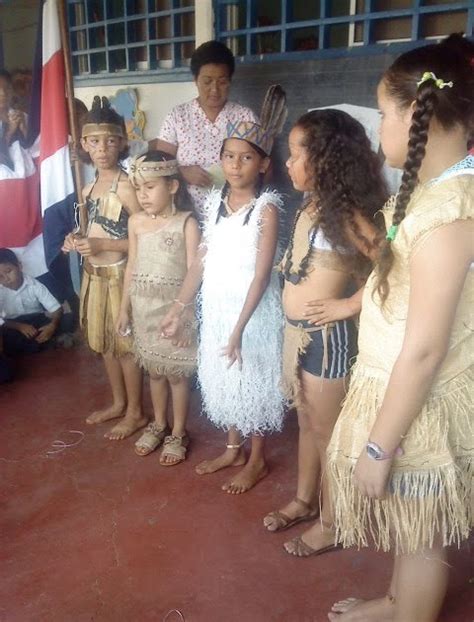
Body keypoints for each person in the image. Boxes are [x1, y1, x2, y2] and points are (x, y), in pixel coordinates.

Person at [326, 34, 473, 622]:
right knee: (414, 524)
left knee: (422, 528)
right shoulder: (431, 191)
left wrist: (379, 446)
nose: (379, 124)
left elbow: (426, 348)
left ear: (415, 113)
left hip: (419, 397)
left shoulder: (449, 212)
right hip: (402, 386)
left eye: (383, 111)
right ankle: (394, 601)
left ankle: (410, 613)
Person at [262, 110, 386, 557]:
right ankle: (303, 499)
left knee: (328, 435)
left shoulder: (347, 214)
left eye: (298, 154)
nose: (289, 163)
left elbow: (392, 262)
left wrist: (349, 305)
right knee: (306, 422)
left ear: (328, 160)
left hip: (327, 339)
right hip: (298, 335)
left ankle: (334, 522)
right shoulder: (311, 205)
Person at [161, 120, 284, 493]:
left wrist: (239, 330)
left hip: (253, 314)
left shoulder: (266, 210)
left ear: (262, 165)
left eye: (246, 157)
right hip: (218, 307)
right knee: (227, 379)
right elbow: (201, 260)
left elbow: (262, 278)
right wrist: (179, 307)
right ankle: (233, 449)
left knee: (254, 380)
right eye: (229, 156)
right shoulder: (215, 203)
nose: (235, 165)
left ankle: (257, 458)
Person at [62, 96, 147, 440]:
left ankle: (136, 412)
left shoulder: (127, 187)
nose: (102, 148)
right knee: (106, 345)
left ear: (123, 142)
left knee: (125, 348)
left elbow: (144, 241)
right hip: (94, 277)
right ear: (83, 144)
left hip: (119, 277)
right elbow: (89, 230)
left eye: (110, 141)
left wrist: (102, 246)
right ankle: (118, 402)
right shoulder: (87, 188)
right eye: (94, 141)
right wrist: (75, 239)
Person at [117, 151, 200, 464]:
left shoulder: (186, 224)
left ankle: (178, 430)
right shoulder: (136, 222)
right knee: (154, 370)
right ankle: (158, 423)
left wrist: (186, 316)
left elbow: (194, 271)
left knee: (176, 374)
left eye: (150, 187)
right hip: (143, 309)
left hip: (173, 313)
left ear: (173, 186)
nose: (143, 195)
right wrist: (124, 308)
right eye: (139, 188)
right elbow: (131, 267)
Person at [151, 40, 258, 215]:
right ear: (195, 80)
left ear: (230, 81)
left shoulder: (245, 117)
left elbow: (262, 168)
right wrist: (183, 172)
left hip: (234, 214)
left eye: (222, 82)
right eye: (207, 81)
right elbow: (159, 165)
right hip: (185, 214)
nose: (214, 89)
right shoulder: (178, 116)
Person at [0, 248, 73, 354]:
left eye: (8, 271)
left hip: (36, 320)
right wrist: (20, 327)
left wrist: (52, 325)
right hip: (11, 324)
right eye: (0, 276)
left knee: (67, 320)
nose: (6, 278)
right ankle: (47, 344)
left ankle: (40, 344)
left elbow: (56, 309)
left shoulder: (35, 285)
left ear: (19, 266)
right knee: (8, 338)